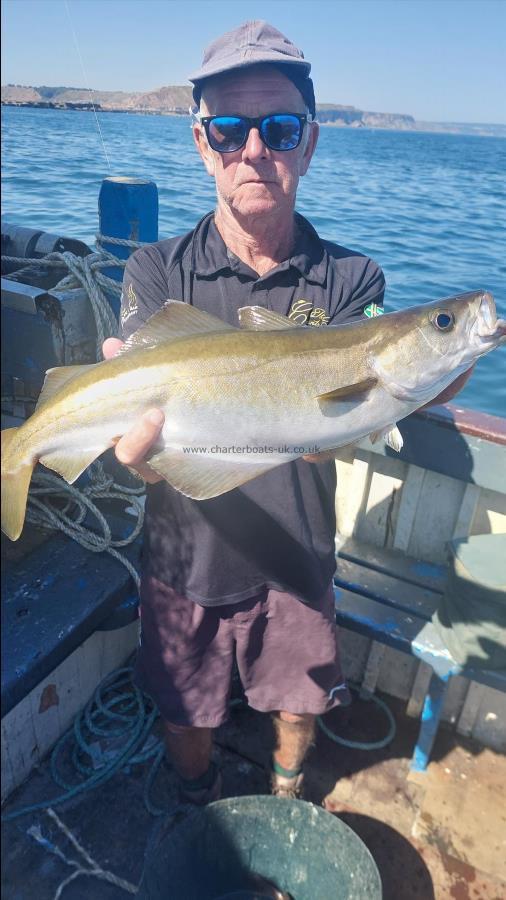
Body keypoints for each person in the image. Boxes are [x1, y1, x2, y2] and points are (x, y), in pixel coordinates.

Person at [103, 20, 473, 805]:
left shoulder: (351, 278)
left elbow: (328, 434)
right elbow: (134, 426)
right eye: (230, 130)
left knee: (300, 705)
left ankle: (284, 798)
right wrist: (124, 444)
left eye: (278, 129)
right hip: (183, 560)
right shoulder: (153, 270)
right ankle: (197, 806)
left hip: (298, 564)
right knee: (184, 717)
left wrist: (429, 363)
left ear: (308, 144)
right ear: (203, 143)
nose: (254, 151)